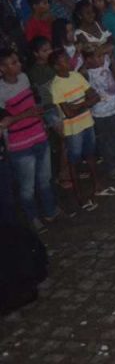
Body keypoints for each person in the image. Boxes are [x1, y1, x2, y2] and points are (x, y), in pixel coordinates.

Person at [0, 48, 58, 230]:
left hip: (37, 134)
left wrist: (41, 122)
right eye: (13, 63)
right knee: (27, 186)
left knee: (45, 178)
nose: (18, 65)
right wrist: (27, 115)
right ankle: (32, 217)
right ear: (2, 68)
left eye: (17, 61)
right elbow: (4, 122)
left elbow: (32, 104)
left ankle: (50, 211)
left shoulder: (24, 78)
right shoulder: (1, 91)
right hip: (20, 144)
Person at [49, 49, 103, 211]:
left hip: (86, 122)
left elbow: (95, 96)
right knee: (74, 161)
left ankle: (96, 185)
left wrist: (79, 105)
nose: (69, 61)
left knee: (91, 154)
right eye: (65, 59)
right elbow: (69, 113)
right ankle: (79, 194)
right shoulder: (56, 85)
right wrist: (86, 103)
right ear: (57, 66)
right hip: (73, 129)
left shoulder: (76, 76)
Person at [82, 46, 115, 182]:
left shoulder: (105, 64)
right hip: (101, 112)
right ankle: (112, 168)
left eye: (102, 56)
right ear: (88, 59)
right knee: (107, 141)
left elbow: (111, 50)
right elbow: (79, 70)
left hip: (114, 107)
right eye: (98, 56)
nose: (102, 59)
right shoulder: (87, 73)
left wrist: (108, 56)